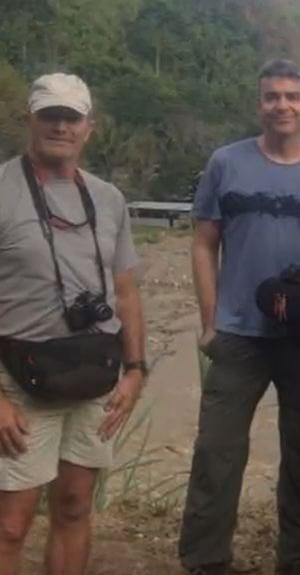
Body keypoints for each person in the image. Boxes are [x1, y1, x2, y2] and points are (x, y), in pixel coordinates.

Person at [178, 59, 300, 575]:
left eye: (291, 96)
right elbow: (203, 242)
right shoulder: (226, 164)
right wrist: (210, 319)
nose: (281, 105)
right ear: (259, 104)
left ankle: (296, 560)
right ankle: (206, 560)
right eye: (271, 96)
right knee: (217, 450)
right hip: (238, 332)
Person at [0, 73, 146, 575]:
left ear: (89, 128)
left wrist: (135, 370)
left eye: (71, 117)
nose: (60, 126)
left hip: (92, 375)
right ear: (30, 121)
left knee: (75, 506)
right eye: (50, 115)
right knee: (10, 524)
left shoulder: (109, 200)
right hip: (17, 379)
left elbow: (126, 290)